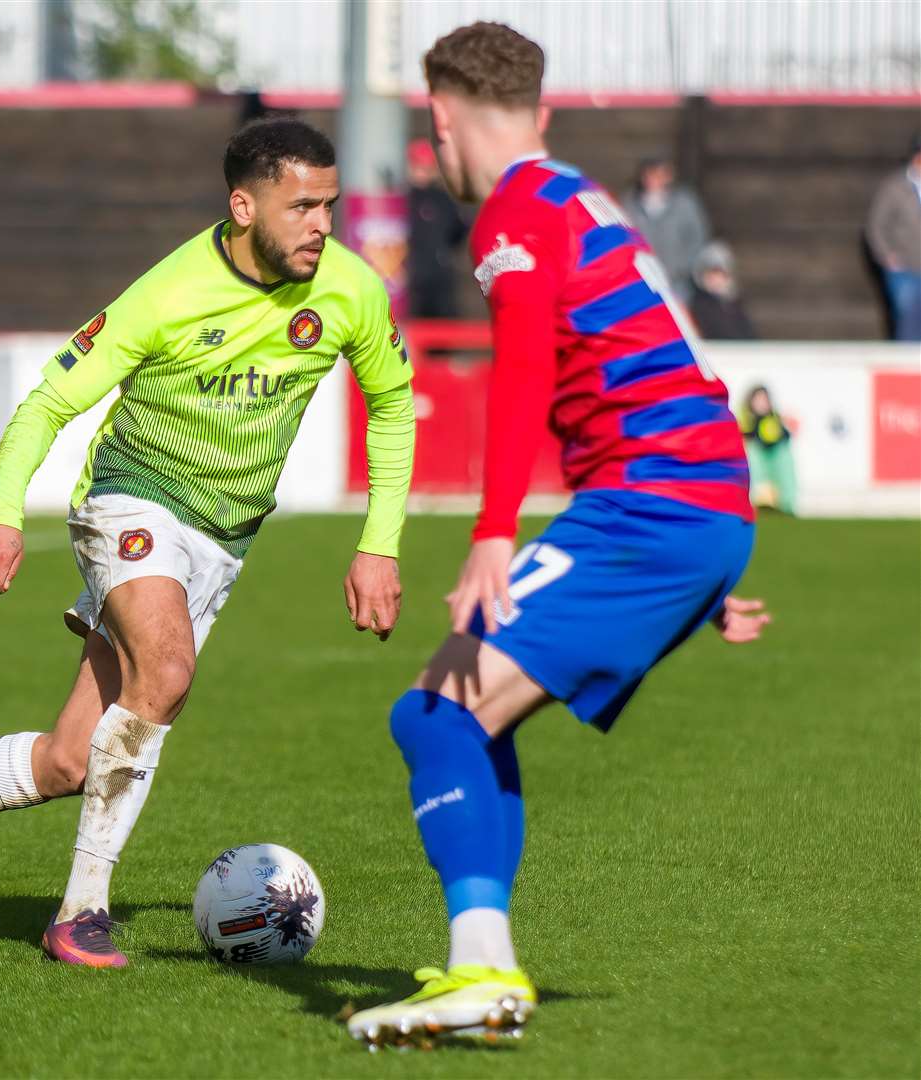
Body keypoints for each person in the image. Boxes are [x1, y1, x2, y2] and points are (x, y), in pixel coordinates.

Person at [0, 118, 417, 968]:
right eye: (301, 206)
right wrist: (1, 511)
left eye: (328, 206)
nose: (321, 225)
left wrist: (379, 545)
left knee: (67, 763)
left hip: (224, 540)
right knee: (168, 672)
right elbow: (48, 401)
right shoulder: (166, 293)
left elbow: (391, 408)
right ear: (241, 205)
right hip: (130, 502)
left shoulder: (351, 291)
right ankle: (80, 912)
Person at [346, 23, 770, 1046]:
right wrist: (706, 566)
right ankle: (481, 965)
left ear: (439, 118)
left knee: (435, 715)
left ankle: (482, 969)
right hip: (687, 504)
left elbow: (524, 371)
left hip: (652, 507)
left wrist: (494, 532)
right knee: (460, 714)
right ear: (535, 111)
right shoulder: (580, 195)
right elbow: (681, 354)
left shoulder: (514, 215)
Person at [622, 152, 710, 302]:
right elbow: (622, 237)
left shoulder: (685, 203)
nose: (654, 179)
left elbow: (698, 238)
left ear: (669, 176)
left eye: (660, 174)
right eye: (650, 174)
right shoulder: (630, 204)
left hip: (677, 284)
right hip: (641, 282)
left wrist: (681, 267)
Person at [866, 134, 921, 342]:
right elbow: (876, 224)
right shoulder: (895, 187)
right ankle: (907, 370)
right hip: (905, 269)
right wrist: (887, 256)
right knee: (908, 320)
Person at [406, 138, 469, 318]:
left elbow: (458, 231)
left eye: (427, 167)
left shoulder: (443, 199)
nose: (423, 173)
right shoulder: (403, 198)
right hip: (412, 280)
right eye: (419, 166)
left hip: (438, 280)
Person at [739, 385, 796, 514]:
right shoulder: (747, 418)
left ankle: (786, 503)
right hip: (758, 456)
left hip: (774, 455)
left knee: (784, 458)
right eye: (758, 400)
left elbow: (785, 436)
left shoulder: (775, 417)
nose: (762, 403)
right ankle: (760, 499)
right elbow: (745, 436)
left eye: (764, 399)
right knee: (753, 457)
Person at [690, 241, 757, 340]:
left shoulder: (734, 304)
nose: (716, 280)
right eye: (711, 275)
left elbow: (749, 335)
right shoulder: (700, 306)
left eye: (720, 274)